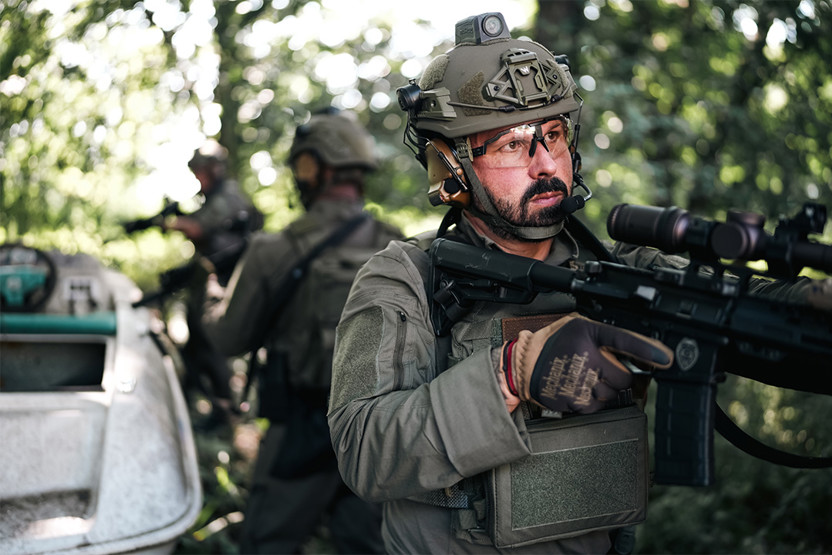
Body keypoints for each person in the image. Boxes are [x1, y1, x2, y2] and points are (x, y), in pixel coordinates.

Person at [327, 12, 829, 554]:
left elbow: (763, 314)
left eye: (554, 135)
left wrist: (814, 304)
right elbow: (362, 451)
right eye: (512, 144)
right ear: (451, 166)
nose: (546, 164)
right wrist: (513, 375)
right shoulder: (407, 277)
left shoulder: (625, 269)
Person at [201, 108, 402, 554]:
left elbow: (228, 339)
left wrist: (213, 287)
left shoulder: (274, 249)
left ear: (311, 167)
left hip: (299, 432)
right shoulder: (397, 245)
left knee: (268, 542)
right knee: (367, 543)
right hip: (378, 433)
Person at [166, 139, 262, 430]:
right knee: (195, 343)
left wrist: (167, 222)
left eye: (201, 171)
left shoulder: (228, 196)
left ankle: (224, 412)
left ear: (213, 170)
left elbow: (198, 228)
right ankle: (192, 400)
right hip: (208, 279)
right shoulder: (211, 197)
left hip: (225, 283)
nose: (198, 177)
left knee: (212, 344)